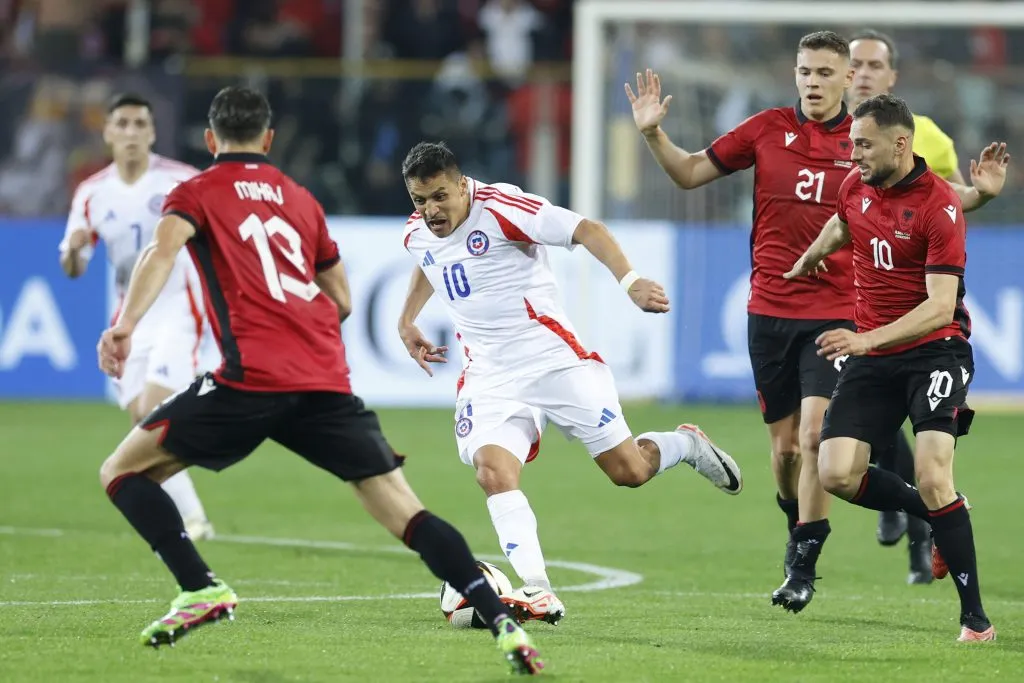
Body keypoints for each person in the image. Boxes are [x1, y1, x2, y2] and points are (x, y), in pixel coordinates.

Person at [95, 86, 545, 675]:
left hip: (250, 377)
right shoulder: (299, 199)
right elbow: (342, 299)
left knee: (121, 472)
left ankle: (200, 587)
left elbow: (162, 251)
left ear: (210, 141)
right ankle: (505, 623)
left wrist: (125, 325)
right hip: (324, 379)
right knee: (407, 514)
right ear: (269, 139)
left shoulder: (196, 191)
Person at [629, 31, 1003, 612]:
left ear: (846, 79)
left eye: (827, 73)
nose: (813, 82)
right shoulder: (765, 129)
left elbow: (939, 197)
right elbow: (689, 172)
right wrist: (653, 133)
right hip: (769, 310)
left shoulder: (865, 142)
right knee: (785, 454)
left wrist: (980, 194)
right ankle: (823, 530)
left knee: (813, 436)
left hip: (839, 315)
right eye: (806, 71)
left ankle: (803, 566)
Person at [396, 141, 743, 626]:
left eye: (438, 197)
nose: (430, 211)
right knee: (492, 471)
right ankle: (538, 590)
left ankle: (684, 444)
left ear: (460, 184)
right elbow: (429, 259)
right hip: (489, 375)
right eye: (419, 200)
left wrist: (631, 282)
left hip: (554, 361)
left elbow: (587, 229)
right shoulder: (418, 231)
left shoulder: (503, 209)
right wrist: (407, 319)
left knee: (628, 471)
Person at [785, 93, 1007, 642]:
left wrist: (863, 341)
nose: (853, 153)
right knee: (836, 472)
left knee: (933, 474)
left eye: (863, 144)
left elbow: (937, 307)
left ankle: (975, 620)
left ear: (900, 144)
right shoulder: (854, 185)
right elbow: (843, 223)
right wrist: (813, 254)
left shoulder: (939, 206)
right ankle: (941, 515)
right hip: (876, 354)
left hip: (936, 351)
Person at [61, 93, 215, 541]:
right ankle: (194, 517)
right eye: (122, 124)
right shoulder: (91, 193)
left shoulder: (181, 181)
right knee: (143, 424)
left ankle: (193, 516)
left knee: (152, 410)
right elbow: (74, 267)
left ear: (152, 132)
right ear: (108, 132)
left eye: (139, 124)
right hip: (130, 316)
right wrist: (72, 250)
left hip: (179, 308)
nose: (130, 132)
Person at [847, 28, 964, 580]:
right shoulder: (814, 128)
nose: (861, 72)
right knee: (828, 437)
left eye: (874, 64)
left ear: (891, 75)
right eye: (854, 63)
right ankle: (914, 510)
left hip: (912, 303)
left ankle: (925, 527)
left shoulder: (928, 140)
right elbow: (837, 216)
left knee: (923, 443)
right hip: (841, 297)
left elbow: (954, 205)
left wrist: (983, 192)